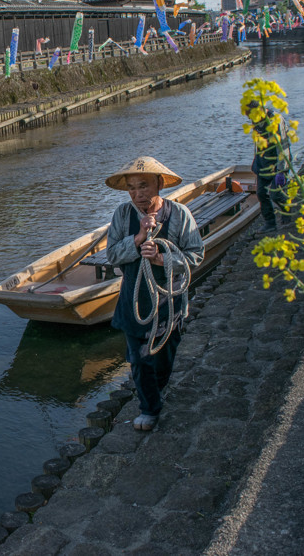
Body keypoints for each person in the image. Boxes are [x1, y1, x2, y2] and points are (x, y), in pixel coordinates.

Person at [104, 157, 204, 432]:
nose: (139, 194)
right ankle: (149, 409)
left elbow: (196, 256)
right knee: (138, 358)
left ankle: (156, 391)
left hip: (168, 302)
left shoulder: (180, 214)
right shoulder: (123, 215)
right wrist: (137, 239)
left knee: (163, 358)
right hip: (134, 301)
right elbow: (112, 255)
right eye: (133, 188)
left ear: (160, 184)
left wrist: (161, 259)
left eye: (144, 186)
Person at [252, 110, 288, 232]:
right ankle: (270, 223)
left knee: (276, 195)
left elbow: (282, 145)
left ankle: (287, 215)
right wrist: (255, 161)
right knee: (261, 194)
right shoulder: (255, 119)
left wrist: (281, 170)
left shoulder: (276, 120)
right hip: (263, 162)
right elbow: (257, 142)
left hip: (277, 162)